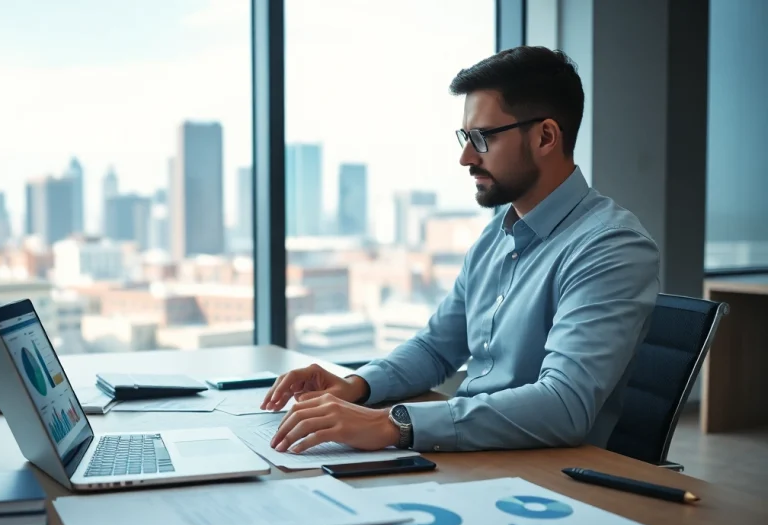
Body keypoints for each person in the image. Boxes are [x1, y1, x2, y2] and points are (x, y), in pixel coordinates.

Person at [262, 46, 660, 455]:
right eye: (466, 137)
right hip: (474, 453)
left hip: (548, 475)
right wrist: (355, 387)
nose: (466, 157)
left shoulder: (611, 247)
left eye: (482, 138)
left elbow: (563, 405)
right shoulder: (496, 237)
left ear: (545, 137)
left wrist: (391, 423)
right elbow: (437, 347)